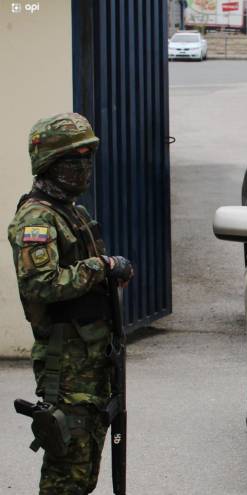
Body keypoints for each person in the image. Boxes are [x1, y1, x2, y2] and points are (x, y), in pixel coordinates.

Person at [8, 112, 134, 493]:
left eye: (86, 161)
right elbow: (40, 285)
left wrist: (113, 276)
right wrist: (102, 267)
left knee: (85, 469)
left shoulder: (72, 212)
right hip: (66, 366)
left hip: (93, 359)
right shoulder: (37, 217)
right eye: (71, 163)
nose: (82, 171)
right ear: (48, 164)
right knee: (67, 473)